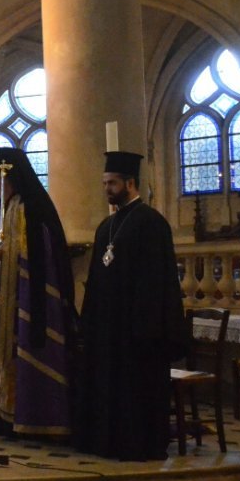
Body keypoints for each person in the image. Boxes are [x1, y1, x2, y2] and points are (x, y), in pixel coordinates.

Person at [73, 151, 185, 461]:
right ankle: (106, 441)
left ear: (130, 183)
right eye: (105, 183)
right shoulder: (106, 226)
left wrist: (144, 328)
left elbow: (157, 283)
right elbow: (96, 279)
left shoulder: (151, 224)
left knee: (136, 390)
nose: (107, 189)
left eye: (112, 183)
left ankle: (139, 444)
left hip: (139, 332)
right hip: (108, 330)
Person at [0, 147, 79, 439]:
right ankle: (8, 412)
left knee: (28, 349)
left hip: (30, 295)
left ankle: (36, 415)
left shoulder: (31, 207)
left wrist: (5, 252)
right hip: (11, 294)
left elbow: (39, 255)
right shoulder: (9, 208)